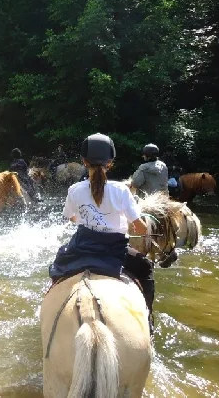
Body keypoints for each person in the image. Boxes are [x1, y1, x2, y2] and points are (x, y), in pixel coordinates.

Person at [49, 133, 155, 331]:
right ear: (110, 163)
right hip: (115, 252)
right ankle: (149, 322)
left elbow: (71, 217)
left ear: (83, 161)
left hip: (81, 248)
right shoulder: (121, 190)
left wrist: (86, 217)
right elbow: (139, 227)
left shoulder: (74, 189)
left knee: (57, 266)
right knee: (145, 267)